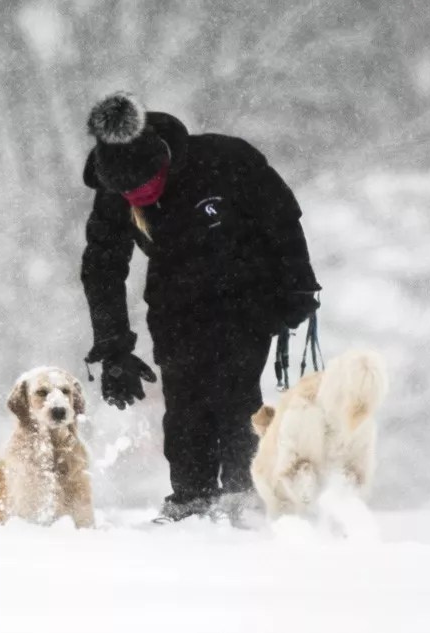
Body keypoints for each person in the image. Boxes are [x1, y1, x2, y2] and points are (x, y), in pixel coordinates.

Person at [79, 91, 321, 523]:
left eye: (144, 185)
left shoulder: (226, 161)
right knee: (184, 400)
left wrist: (298, 286)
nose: (137, 196)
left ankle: (245, 497)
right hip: (175, 303)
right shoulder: (114, 191)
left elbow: (282, 217)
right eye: (127, 192)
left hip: (245, 296)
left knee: (234, 395)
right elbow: (102, 265)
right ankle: (191, 500)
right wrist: (113, 346)